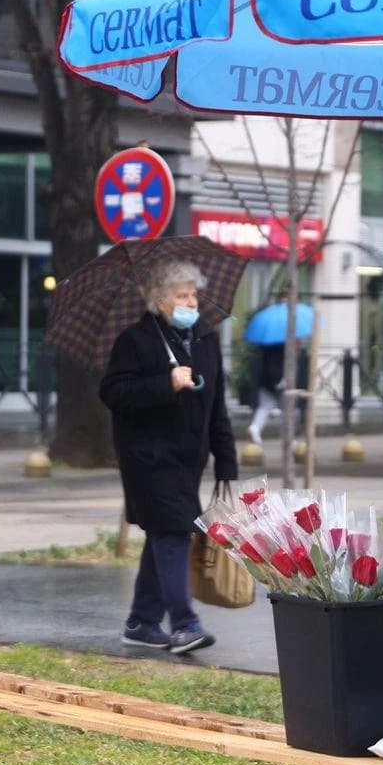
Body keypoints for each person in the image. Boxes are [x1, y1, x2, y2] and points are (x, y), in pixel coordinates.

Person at [101, 260, 239, 655]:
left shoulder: (206, 341)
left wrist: (226, 460)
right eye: (181, 295)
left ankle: (143, 622)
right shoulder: (136, 340)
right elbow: (113, 393)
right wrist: (166, 382)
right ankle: (184, 624)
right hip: (147, 459)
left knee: (164, 532)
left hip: (187, 459)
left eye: (193, 294)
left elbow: (217, 406)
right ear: (159, 301)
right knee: (176, 530)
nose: (190, 301)